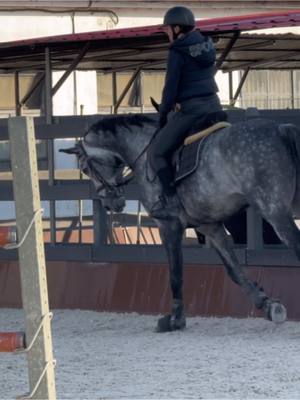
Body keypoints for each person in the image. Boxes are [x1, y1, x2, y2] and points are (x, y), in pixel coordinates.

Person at [148, 6, 224, 219]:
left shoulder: (177, 51)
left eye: (167, 30)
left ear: (177, 28)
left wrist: (163, 116)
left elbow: (170, 88)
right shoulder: (207, 45)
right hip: (214, 107)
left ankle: (172, 202)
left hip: (192, 111)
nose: (167, 34)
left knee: (157, 153)